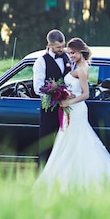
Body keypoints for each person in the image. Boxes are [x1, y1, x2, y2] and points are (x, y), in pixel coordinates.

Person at [34, 37, 110, 194]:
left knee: (77, 141)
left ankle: (77, 177)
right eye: (67, 51)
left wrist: (67, 101)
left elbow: (86, 94)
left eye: (72, 53)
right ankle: (68, 175)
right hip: (68, 109)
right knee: (68, 142)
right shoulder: (70, 60)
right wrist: (51, 50)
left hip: (75, 109)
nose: (69, 55)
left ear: (80, 52)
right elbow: (63, 52)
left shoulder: (82, 68)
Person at [33, 29, 71, 167]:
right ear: (49, 46)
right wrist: (54, 91)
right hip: (48, 107)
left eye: (63, 46)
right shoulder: (41, 62)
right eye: (59, 47)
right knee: (46, 142)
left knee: (64, 141)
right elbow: (38, 88)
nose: (62, 49)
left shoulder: (66, 58)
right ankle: (43, 171)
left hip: (67, 108)